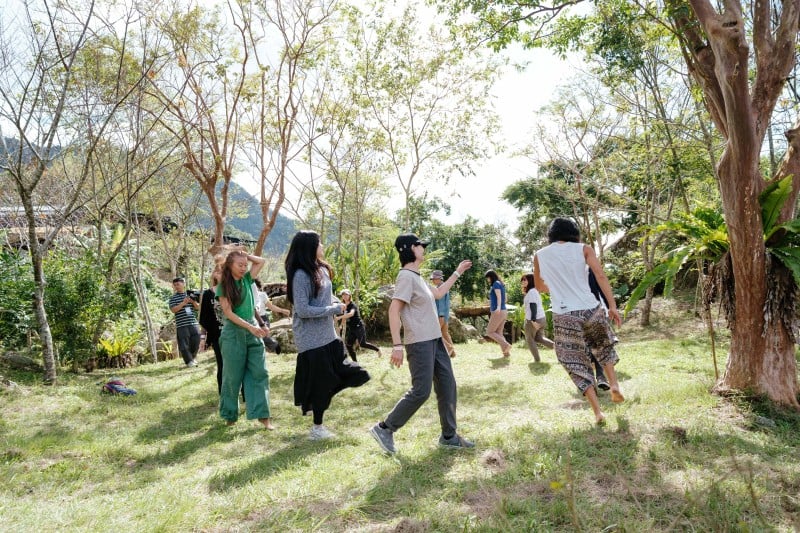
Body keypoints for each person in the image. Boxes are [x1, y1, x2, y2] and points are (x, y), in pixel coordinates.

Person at [369, 233, 474, 455]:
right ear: (409, 249)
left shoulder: (417, 276)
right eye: (420, 246)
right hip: (419, 342)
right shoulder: (406, 277)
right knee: (421, 391)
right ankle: (385, 428)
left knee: (448, 385)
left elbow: (437, 293)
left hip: (435, 340)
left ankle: (449, 436)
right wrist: (397, 345)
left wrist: (457, 271)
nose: (423, 249)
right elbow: (393, 309)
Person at [533, 217, 625, 425]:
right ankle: (614, 385)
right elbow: (600, 276)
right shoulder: (584, 248)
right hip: (590, 307)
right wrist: (612, 306)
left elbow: (539, 286)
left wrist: (557, 289)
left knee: (575, 360)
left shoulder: (539, 255)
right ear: (574, 232)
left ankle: (598, 412)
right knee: (603, 346)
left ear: (552, 235)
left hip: (564, 314)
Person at [286, 230, 370, 440]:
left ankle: (318, 398)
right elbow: (303, 310)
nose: (322, 246)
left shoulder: (321, 269)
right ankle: (317, 428)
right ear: (309, 248)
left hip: (329, 335)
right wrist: (332, 310)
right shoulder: (300, 275)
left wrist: (335, 303)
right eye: (319, 243)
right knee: (323, 382)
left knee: (359, 373)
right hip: (311, 339)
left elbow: (327, 295)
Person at [216, 247, 273, 429]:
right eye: (239, 265)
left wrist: (243, 254)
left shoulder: (248, 279)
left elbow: (261, 261)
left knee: (260, 373)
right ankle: (230, 415)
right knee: (232, 377)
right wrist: (251, 327)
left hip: (253, 331)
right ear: (230, 265)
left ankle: (263, 416)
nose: (243, 267)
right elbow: (228, 313)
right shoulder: (223, 286)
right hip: (233, 334)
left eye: (245, 265)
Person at [337, 289, 381, 362]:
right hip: (352, 329)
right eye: (343, 295)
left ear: (349, 296)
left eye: (346, 294)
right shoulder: (343, 306)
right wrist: (341, 325)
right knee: (349, 345)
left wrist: (339, 317)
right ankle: (355, 362)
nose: (344, 296)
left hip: (359, 327)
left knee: (362, 344)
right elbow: (345, 316)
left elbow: (351, 314)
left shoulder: (352, 305)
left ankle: (378, 349)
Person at [199, 268, 224, 393]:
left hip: (235, 333)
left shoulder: (233, 289)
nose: (219, 273)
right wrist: (203, 338)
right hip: (217, 336)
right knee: (222, 364)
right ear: (213, 274)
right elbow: (204, 318)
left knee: (238, 364)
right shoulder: (208, 294)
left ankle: (244, 393)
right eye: (217, 271)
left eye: (222, 271)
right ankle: (223, 393)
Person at [520, 273, 554, 362]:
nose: (522, 281)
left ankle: (537, 360)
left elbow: (533, 306)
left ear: (530, 281)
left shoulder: (531, 292)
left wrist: (533, 321)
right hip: (541, 318)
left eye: (525, 280)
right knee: (539, 338)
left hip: (534, 319)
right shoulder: (534, 291)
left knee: (530, 339)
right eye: (522, 280)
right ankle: (558, 349)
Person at [168, 277, 201, 367]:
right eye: (175, 285)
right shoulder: (173, 298)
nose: (176, 286)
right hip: (182, 325)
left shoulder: (191, 294)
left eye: (178, 284)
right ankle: (189, 361)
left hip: (193, 323)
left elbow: (198, 307)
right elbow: (173, 310)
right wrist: (183, 303)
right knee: (184, 344)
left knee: (196, 340)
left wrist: (193, 302)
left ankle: (192, 358)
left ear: (183, 284)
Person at [253, 278, 290, 354]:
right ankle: (272, 345)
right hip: (252, 319)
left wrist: (283, 310)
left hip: (263, 319)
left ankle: (274, 345)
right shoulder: (246, 295)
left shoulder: (262, 295)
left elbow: (271, 307)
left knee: (262, 334)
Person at [484, 269, 512, 357]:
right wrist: (492, 302)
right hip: (503, 311)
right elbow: (505, 299)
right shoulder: (501, 284)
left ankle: (506, 345)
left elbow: (499, 297)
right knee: (499, 333)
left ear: (490, 277)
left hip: (498, 311)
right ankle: (506, 353)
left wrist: (498, 307)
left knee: (489, 332)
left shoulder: (496, 284)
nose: (487, 280)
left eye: (488, 278)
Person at [430, 270, 456, 358]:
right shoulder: (444, 287)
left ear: (438, 278)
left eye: (433, 279)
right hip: (445, 315)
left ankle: (448, 348)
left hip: (440, 315)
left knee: (435, 333)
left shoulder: (440, 289)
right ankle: (452, 352)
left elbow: (441, 303)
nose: (432, 280)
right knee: (445, 333)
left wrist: (441, 315)